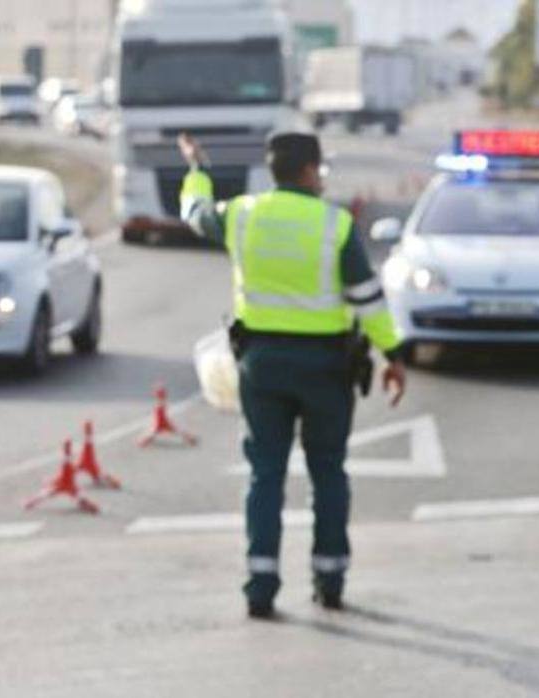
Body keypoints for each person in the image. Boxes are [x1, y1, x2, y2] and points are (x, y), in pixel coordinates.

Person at [178, 131, 407, 619]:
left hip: (260, 365)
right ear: (309, 171)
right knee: (327, 472)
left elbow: (196, 215)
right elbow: (367, 300)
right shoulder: (335, 225)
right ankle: (330, 578)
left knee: (265, 475)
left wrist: (197, 170)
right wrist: (393, 355)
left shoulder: (241, 214)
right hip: (326, 369)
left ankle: (260, 584)